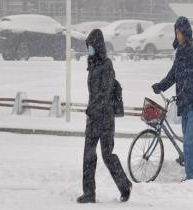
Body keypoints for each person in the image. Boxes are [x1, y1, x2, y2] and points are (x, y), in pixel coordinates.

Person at [152, 16, 193, 183]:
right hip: (186, 103)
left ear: (185, 32)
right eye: (176, 32)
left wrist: (185, 91)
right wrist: (161, 86)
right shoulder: (181, 51)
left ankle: (191, 178)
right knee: (190, 138)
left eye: (179, 32)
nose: (177, 35)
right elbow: (174, 74)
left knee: (188, 140)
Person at [77, 29, 132, 203]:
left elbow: (105, 92)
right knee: (88, 156)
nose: (89, 50)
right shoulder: (92, 64)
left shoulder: (106, 66)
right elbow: (93, 94)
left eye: (91, 46)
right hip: (93, 117)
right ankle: (89, 193)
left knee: (107, 155)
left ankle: (125, 186)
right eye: (88, 47)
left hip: (105, 118)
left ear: (98, 46)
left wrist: (94, 109)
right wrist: (91, 111)